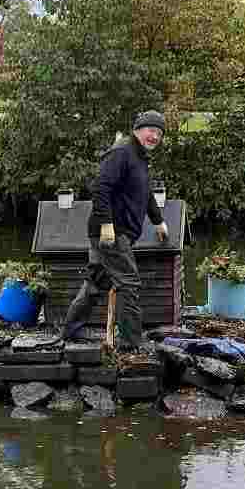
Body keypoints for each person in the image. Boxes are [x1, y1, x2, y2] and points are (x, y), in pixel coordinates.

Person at [62, 110, 171, 350]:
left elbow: (145, 193)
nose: (155, 136)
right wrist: (106, 225)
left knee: (96, 282)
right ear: (137, 129)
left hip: (118, 231)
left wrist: (158, 220)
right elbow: (100, 188)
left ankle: (70, 330)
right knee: (128, 283)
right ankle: (132, 342)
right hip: (111, 232)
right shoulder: (122, 151)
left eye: (159, 133)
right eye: (151, 130)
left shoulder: (139, 157)